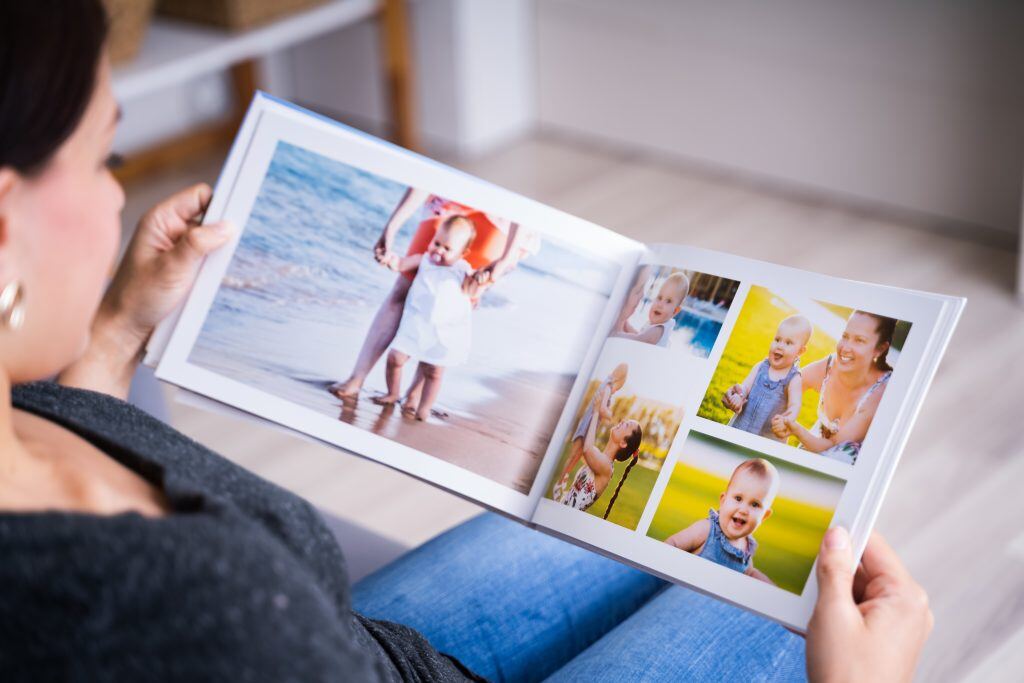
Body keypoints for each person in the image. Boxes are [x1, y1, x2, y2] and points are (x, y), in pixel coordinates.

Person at [0, 3, 933, 679]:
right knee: (809, 598)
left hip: (355, 640)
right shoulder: (168, 605)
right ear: (5, 218)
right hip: (320, 645)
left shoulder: (22, 411)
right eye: (105, 158)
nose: (119, 195)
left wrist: (119, 327)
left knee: (677, 542)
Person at [329, 187, 532, 400]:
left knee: (460, 297)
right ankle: (357, 378)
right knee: (404, 285)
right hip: (450, 194)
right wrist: (390, 228)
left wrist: (505, 259)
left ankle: (415, 395)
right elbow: (422, 179)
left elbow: (527, 192)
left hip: (505, 214)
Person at [372, 215, 479, 420]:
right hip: (415, 324)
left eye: (447, 249)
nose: (438, 251)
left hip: (442, 331)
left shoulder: (462, 269)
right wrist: (389, 259)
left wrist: (479, 278)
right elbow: (401, 265)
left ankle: (423, 408)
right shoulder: (424, 259)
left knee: (434, 372)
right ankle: (393, 393)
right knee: (395, 358)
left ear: (462, 253)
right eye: (436, 243)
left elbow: (472, 290)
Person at [772, 311, 895, 465]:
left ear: (880, 349)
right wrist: (743, 392)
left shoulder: (882, 392)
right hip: (817, 444)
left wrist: (796, 430)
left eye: (859, 340)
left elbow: (834, 445)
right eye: (845, 336)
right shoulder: (829, 367)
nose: (846, 347)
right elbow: (782, 388)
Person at [663, 459, 778, 584]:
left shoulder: (746, 551)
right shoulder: (706, 530)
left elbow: (749, 573)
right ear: (723, 501)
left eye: (755, 504)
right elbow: (673, 543)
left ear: (764, 516)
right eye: (738, 498)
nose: (744, 510)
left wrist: (769, 586)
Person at [724, 314, 811, 441]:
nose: (780, 346)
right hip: (740, 427)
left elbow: (794, 405)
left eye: (788, 343)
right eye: (777, 339)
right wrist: (739, 396)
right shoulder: (760, 367)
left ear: (800, 351)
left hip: (766, 438)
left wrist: (786, 420)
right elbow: (745, 387)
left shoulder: (794, 378)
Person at [552, 363, 628, 501]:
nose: (616, 391)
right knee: (575, 455)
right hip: (587, 426)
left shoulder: (606, 384)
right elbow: (603, 410)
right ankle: (559, 483)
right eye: (619, 387)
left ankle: (564, 480)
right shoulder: (608, 388)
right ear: (618, 380)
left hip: (587, 424)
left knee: (576, 455)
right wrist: (612, 415)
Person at [611, 271, 689, 347]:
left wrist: (616, 334)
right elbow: (640, 336)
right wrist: (626, 325)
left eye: (668, 301)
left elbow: (639, 340)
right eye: (660, 297)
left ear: (675, 311)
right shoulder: (654, 327)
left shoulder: (659, 329)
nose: (660, 305)